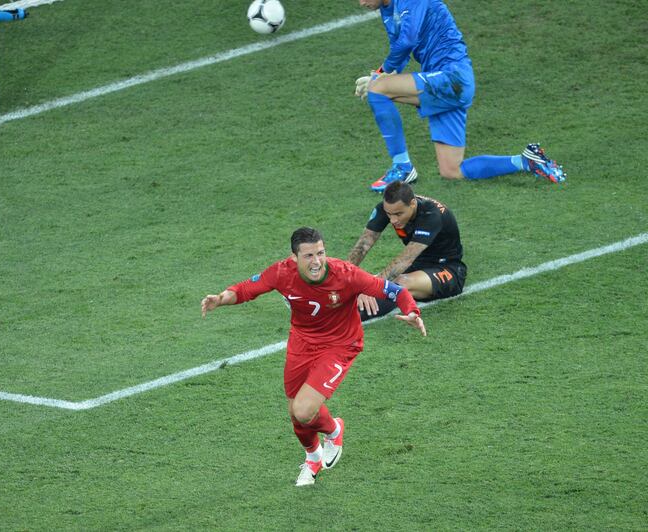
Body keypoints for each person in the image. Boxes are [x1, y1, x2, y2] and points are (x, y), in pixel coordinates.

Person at [201, 227, 426, 487]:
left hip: (340, 344)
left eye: (320, 253)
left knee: (304, 409)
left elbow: (396, 291)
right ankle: (313, 457)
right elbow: (245, 289)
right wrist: (220, 299)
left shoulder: (346, 274)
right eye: (308, 255)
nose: (317, 261)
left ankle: (334, 430)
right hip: (301, 342)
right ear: (294, 258)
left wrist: (412, 312)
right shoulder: (281, 272)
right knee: (296, 415)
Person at [353, 0, 567, 192]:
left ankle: (402, 167)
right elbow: (398, 49)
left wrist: (379, 79)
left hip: (452, 77)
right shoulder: (388, 10)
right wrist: (380, 76)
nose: (360, 3)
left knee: (378, 90)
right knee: (452, 170)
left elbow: (408, 40)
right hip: (443, 82)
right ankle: (527, 161)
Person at [347, 181, 465, 320]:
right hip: (417, 265)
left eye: (398, 214)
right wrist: (342, 276)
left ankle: (349, 318)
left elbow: (405, 259)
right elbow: (363, 245)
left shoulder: (431, 215)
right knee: (363, 282)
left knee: (399, 283)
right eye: (389, 214)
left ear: (413, 204)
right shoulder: (388, 209)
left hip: (447, 269)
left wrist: (371, 288)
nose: (393, 220)